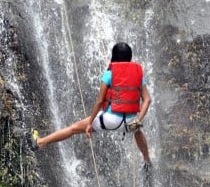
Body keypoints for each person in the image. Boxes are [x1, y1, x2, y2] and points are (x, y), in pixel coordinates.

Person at [30, 42, 152, 170]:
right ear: (130, 57)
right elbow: (147, 100)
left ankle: (40, 142)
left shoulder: (108, 75)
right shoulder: (138, 75)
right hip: (129, 123)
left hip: (109, 120)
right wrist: (138, 120)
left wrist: (90, 123)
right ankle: (147, 160)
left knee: (73, 128)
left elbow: (99, 101)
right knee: (137, 131)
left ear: (114, 57)